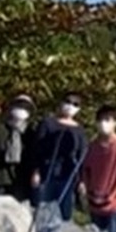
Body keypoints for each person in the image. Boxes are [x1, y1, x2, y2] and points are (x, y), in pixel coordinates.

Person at [79, 105, 116, 232]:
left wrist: (115, 192)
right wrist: (84, 186)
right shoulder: (92, 146)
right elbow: (86, 169)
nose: (103, 123)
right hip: (94, 202)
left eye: (108, 119)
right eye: (101, 119)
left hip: (113, 205)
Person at [31, 93, 88, 221]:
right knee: (42, 211)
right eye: (68, 102)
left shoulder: (79, 130)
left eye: (75, 104)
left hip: (67, 176)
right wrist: (36, 171)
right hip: (46, 172)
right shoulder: (48, 123)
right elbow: (36, 149)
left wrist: (81, 180)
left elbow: (81, 157)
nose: (70, 106)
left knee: (64, 213)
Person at [0, 95, 35, 201]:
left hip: (21, 182)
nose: (21, 109)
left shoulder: (30, 132)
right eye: (19, 105)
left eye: (25, 107)